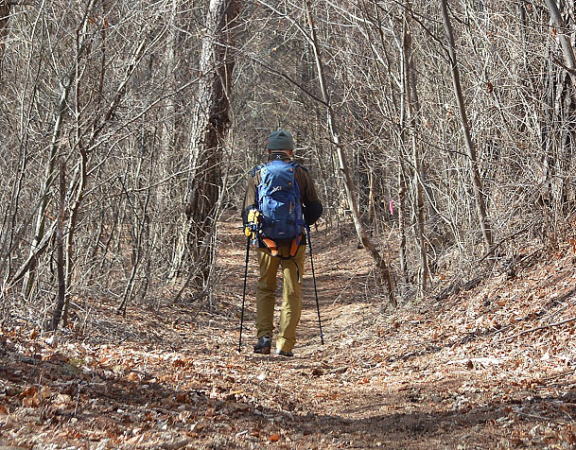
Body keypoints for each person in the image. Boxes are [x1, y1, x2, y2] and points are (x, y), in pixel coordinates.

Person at [242, 130, 323, 357]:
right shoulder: (300, 173)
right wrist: (300, 224)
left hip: (266, 242)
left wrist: (253, 230)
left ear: (269, 150)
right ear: (290, 150)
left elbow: (248, 210)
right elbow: (315, 208)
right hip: (296, 242)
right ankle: (284, 345)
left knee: (265, 289)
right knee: (291, 292)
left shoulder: (258, 173)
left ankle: (264, 338)